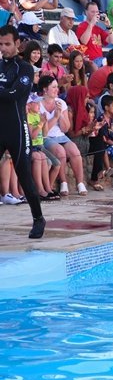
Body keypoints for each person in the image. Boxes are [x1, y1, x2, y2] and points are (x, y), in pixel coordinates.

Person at [0, 26, 46, 238]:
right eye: (0, 44)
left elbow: (15, 94)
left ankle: (38, 218)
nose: (3, 48)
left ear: (17, 44)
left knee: (25, 176)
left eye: (7, 44)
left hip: (17, 129)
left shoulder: (25, 68)